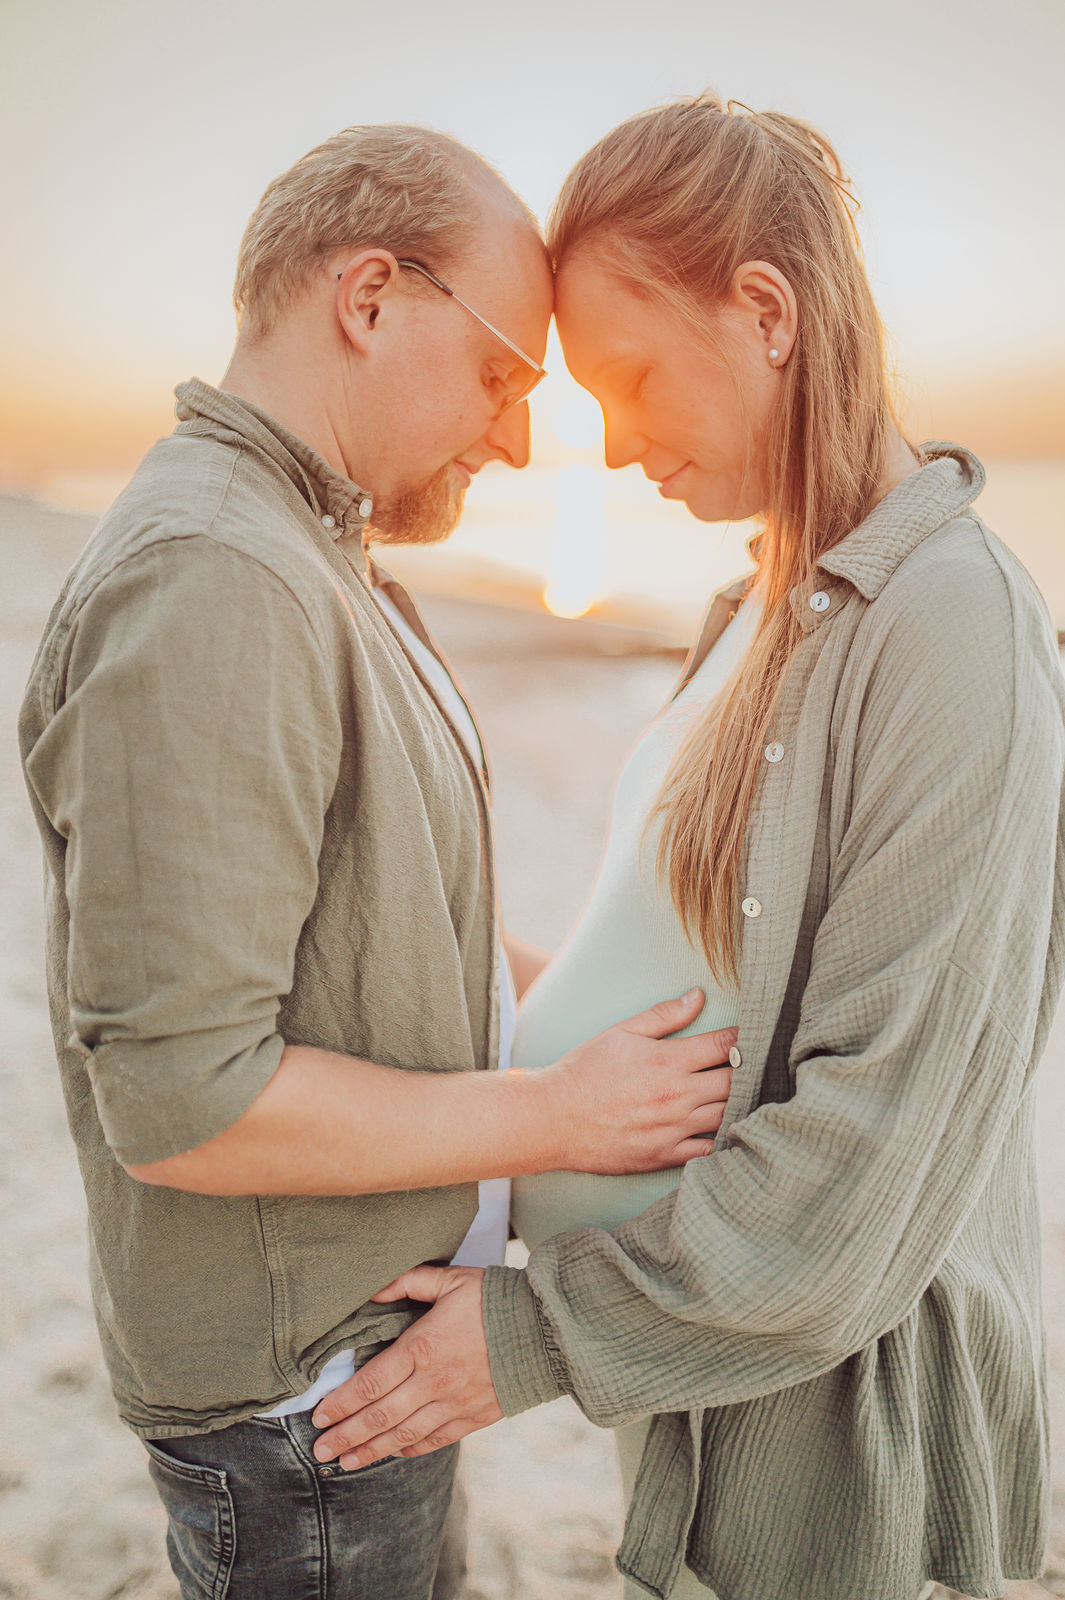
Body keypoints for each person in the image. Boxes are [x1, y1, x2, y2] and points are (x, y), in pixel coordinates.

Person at [309, 97, 1065, 1600]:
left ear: (765, 311)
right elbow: (671, 970)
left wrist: (523, 1339)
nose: (617, 442)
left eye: (632, 378)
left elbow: (864, 1160)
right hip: (708, 1396)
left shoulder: (949, 631)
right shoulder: (763, 608)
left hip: (843, 1443)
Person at [17, 123, 739, 1600]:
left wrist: (592, 1008)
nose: (521, 440)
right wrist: (553, 1116)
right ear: (368, 296)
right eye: (502, 375)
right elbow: (180, 1100)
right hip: (301, 1414)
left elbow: (380, 915)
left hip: (365, 1350)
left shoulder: (307, 549)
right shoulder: (215, 578)